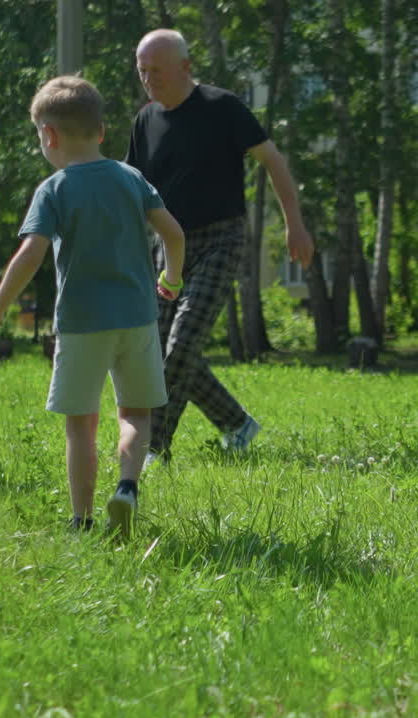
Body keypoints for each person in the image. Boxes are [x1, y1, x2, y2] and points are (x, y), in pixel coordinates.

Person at [0, 75, 185, 538]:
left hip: (81, 323)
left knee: (81, 427)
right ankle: (127, 487)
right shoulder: (132, 179)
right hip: (137, 318)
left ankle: (82, 521)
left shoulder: (55, 188)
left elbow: (30, 255)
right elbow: (173, 233)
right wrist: (170, 278)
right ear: (101, 131)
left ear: (49, 135)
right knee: (135, 415)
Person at [127, 28, 314, 466]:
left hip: (219, 239)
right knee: (159, 350)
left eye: (157, 70)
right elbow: (132, 189)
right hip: (167, 247)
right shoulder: (144, 121)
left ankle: (154, 447)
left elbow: (273, 161)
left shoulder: (222, 107)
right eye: (142, 71)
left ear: (186, 67)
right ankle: (237, 423)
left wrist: (295, 225)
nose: (148, 79)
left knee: (182, 343)